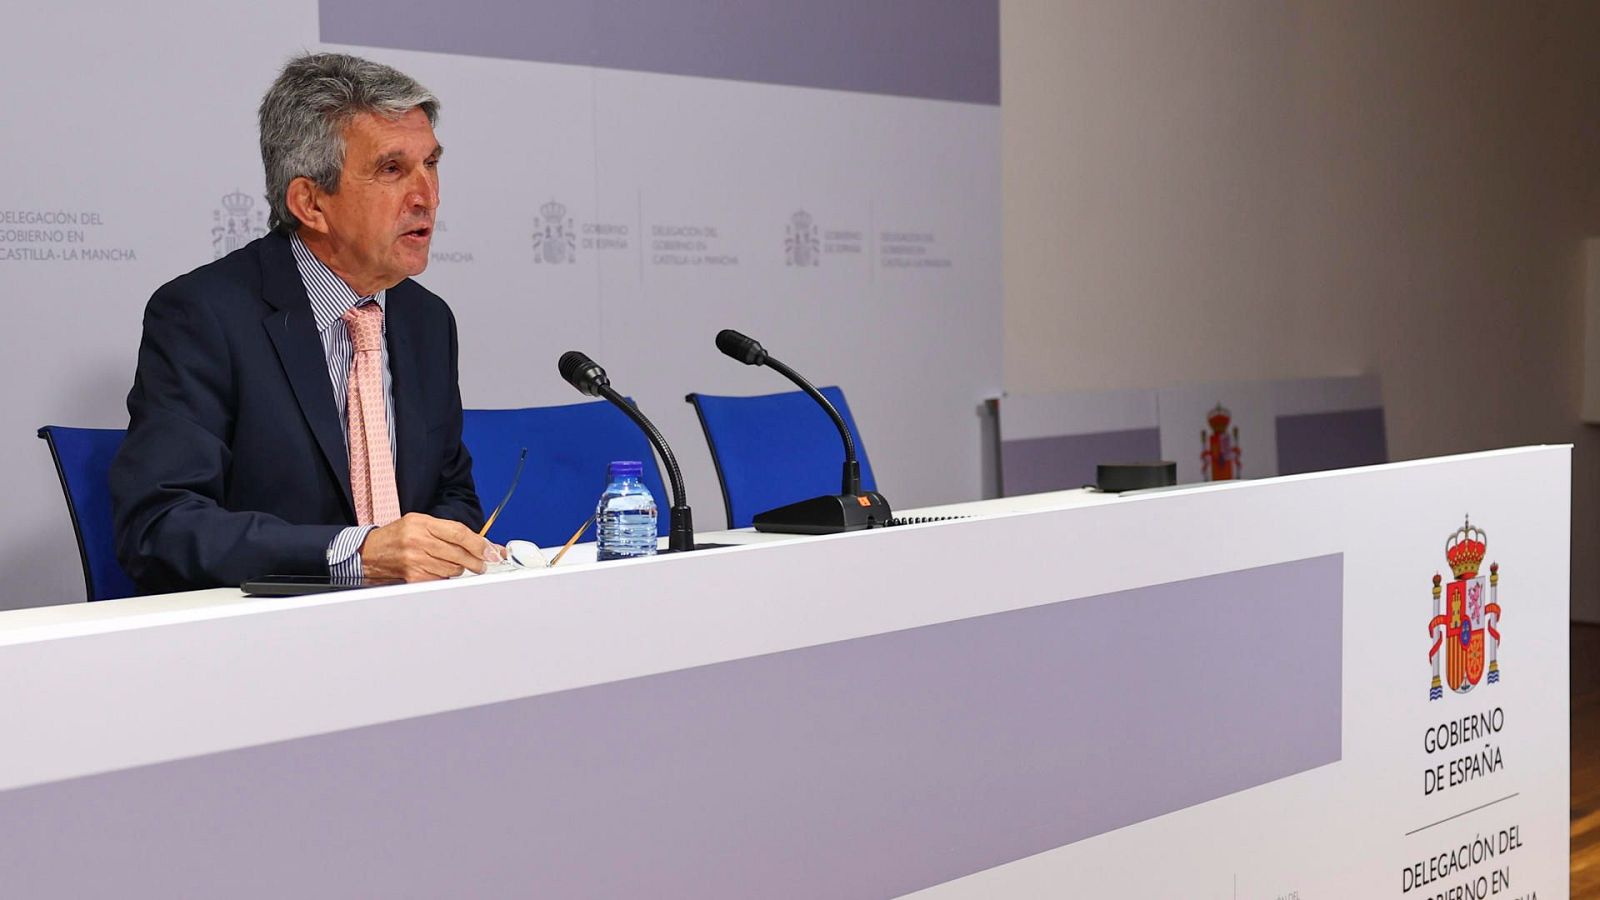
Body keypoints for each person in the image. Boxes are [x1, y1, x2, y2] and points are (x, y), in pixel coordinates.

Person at [110, 53, 499, 594]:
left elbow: (450, 492)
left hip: (418, 630)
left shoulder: (427, 320)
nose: (427, 196)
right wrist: (358, 554)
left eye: (430, 164)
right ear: (310, 203)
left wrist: (446, 546)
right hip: (264, 640)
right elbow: (161, 525)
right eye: (392, 170)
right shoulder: (204, 315)